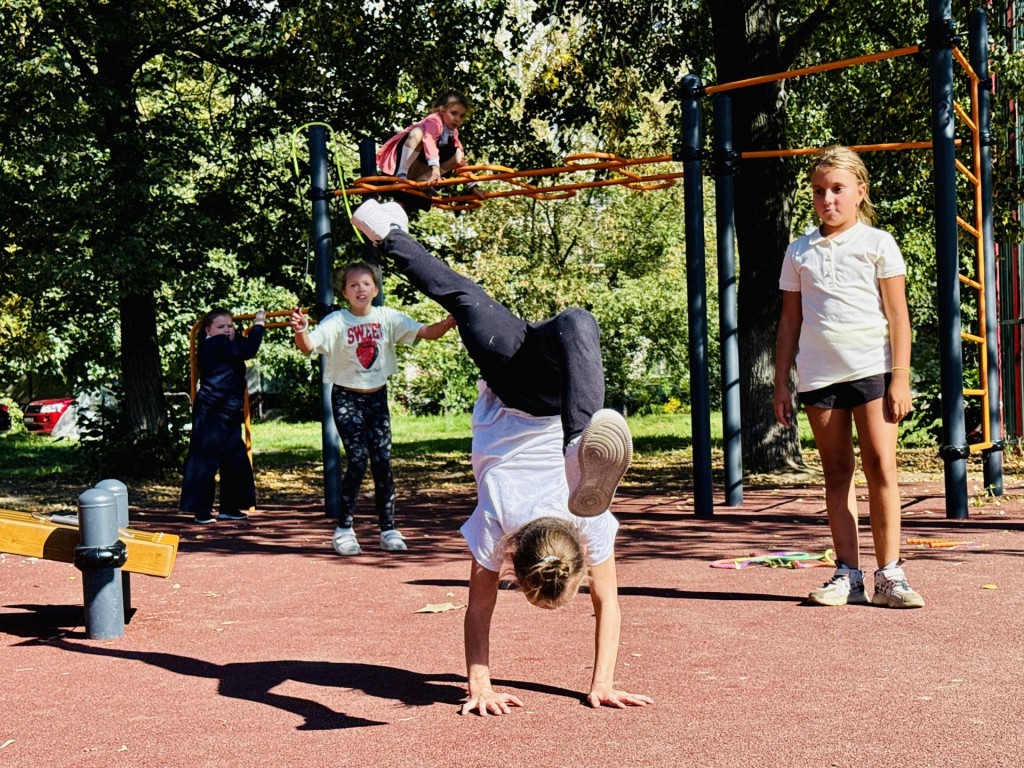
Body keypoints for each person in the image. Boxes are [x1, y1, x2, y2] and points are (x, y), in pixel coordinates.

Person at [351, 198, 651, 714]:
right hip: (523, 385)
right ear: (514, 563)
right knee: (464, 297)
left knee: (578, 323)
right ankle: (389, 233)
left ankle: (578, 440)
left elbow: (608, 604)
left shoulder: (580, 522)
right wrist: (479, 685)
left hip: (537, 384)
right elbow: (479, 609)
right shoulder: (516, 523)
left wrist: (598, 682)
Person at [773, 145, 923, 609]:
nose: (828, 199)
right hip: (819, 378)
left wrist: (900, 377)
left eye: (837, 189)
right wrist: (781, 382)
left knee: (881, 466)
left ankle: (890, 575)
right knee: (837, 473)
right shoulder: (799, 251)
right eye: (819, 191)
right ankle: (848, 575)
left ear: (860, 191)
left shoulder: (878, 243)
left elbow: (898, 316)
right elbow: (790, 321)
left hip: (873, 370)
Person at [289, 261, 456, 555]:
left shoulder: (387, 317)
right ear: (344, 293)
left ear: (375, 290)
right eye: (353, 285)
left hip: (377, 398)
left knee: (382, 463)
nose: (360, 289)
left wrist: (450, 321)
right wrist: (301, 330)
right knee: (357, 459)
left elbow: (427, 332)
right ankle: (344, 529)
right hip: (346, 398)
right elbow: (307, 346)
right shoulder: (337, 321)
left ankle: (388, 530)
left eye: (366, 283)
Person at [180, 307, 266, 524]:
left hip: (228, 409)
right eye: (221, 327)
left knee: (234, 457)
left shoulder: (228, 344)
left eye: (230, 326)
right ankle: (201, 510)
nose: (227, 330)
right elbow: (249, 349)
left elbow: (241, 348)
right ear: (208, 330)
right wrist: (258, 325)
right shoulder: (215, 343)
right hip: (212, 409)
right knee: (206, 458)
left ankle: (230, 507)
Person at [376, 89, 483, 212]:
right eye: (454, 113)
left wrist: (472, 186)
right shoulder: (434, 120)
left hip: (419, 170)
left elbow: (460, 162)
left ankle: (422, 181)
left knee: (457, 153)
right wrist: (435, 170)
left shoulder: (452, 133)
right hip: (402, 163)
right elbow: (429, 141)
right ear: (442, 110)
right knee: (418, 133)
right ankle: (401, 174)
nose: (457, 119)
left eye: (462, 116)